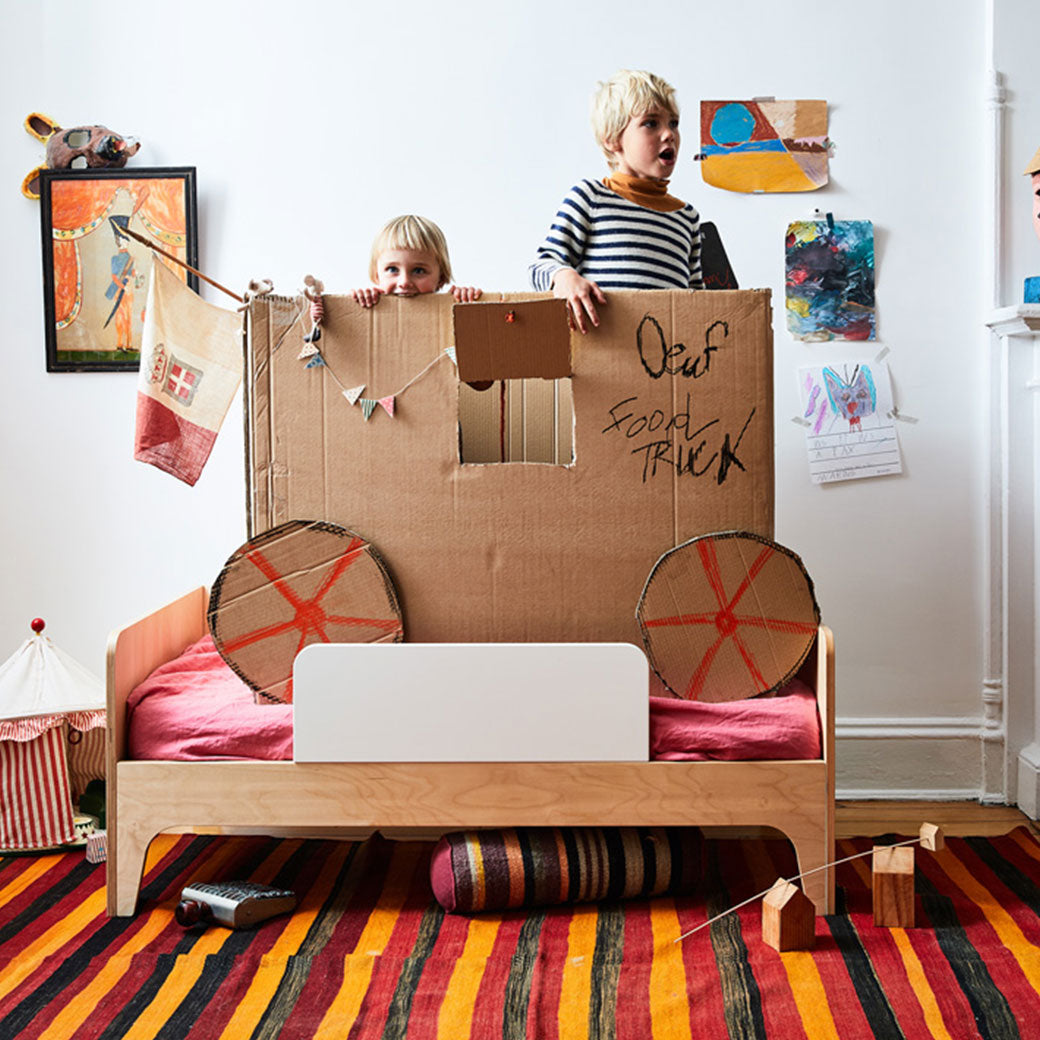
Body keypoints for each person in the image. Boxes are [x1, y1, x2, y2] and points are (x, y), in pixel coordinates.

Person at [529, 69, 703, 333]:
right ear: (612, 139)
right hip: (604, 352)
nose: (669, 134)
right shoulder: (591, 197)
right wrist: (564, 277)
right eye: (651, 123)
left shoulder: (687, 218)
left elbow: (700, 302)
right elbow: (540, 266)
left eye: (674, 123)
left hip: (668, 356)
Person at [310, 215, 480, 325]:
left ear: (441, 278)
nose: (404, 282)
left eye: (419, 271)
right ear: (377, 276)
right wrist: (353, 304)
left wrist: (469, 303)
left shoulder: (452, 310)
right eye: (392, 269)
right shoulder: (368, 306)